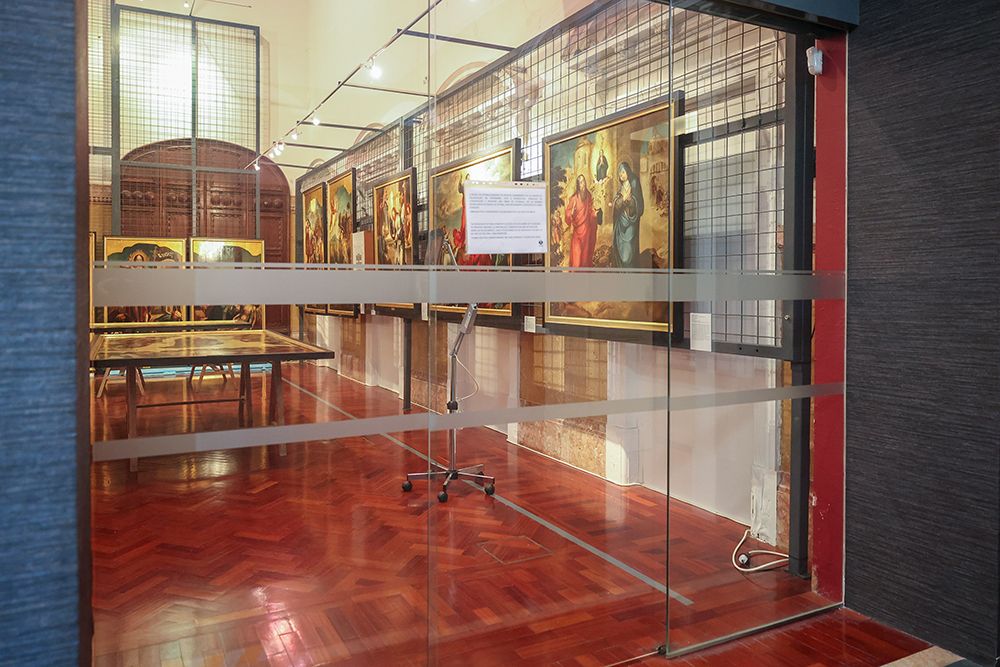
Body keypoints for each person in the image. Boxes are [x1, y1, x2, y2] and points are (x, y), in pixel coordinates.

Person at [611, 161, 643, 268]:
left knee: (628, 255)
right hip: (621, 223)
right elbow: (616, 205)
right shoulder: (621, 188)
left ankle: (629, 272)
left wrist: (629, 200)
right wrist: (623, 199)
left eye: (623, 172)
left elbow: (639, 206)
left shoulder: (634, 184)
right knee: (621, 252)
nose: (621, 175)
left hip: (631, 223)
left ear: (628, 171)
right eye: (620, 173)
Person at [565, 173, 598, 267]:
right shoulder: (574, 198)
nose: (583, 184)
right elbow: (567, 213)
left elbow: (590, 211)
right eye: (580, 182)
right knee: (577, 259)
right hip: (578, 233)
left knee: (584, 258)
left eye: (584, 181)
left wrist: (594, 214)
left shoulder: (588, 195)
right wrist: (571, 214)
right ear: (578, 185)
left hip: (587, 231)